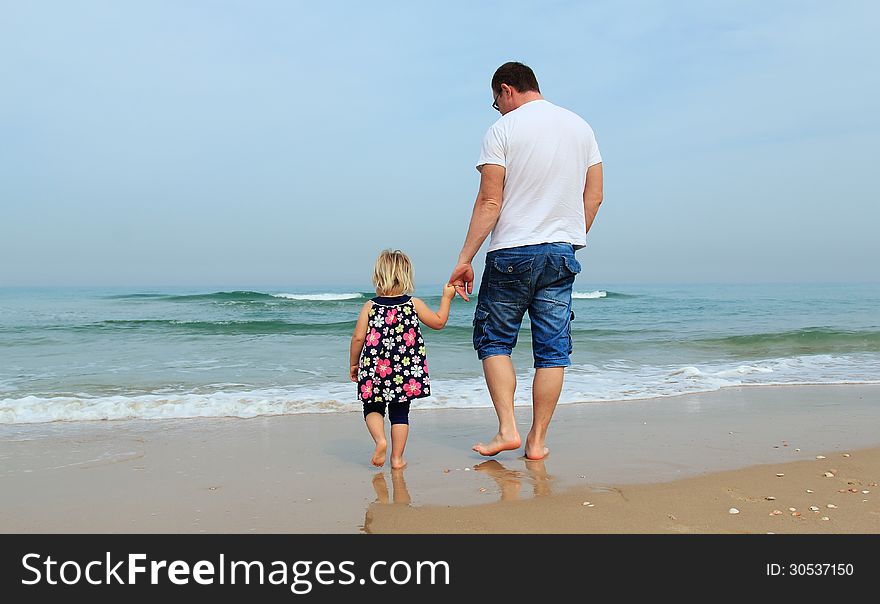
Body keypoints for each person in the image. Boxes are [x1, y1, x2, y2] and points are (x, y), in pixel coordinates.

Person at [448, 61, 604, 460]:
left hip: (512, 252)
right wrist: (571, 237)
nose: (497, 109)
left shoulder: (503, 129)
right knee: (552, 351)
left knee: (495, 340)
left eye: (495, 101)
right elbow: (595, 195)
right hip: (560, 253)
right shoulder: (581, 127)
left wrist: (465, 258)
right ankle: (536, 441)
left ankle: (507, 430)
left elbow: (490, 200)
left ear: (506, 90)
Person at [350, 249, 456, 469]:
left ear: (378, 276)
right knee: (400, 413)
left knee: (372, 407)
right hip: (404, 368)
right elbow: (438, 322)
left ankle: (380, 441)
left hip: (374, 367)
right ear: (407, 275)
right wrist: (446, 298)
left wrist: (353, 363)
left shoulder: (370, 306)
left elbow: (358, 337)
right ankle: (397, 459)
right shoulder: (412, 304)